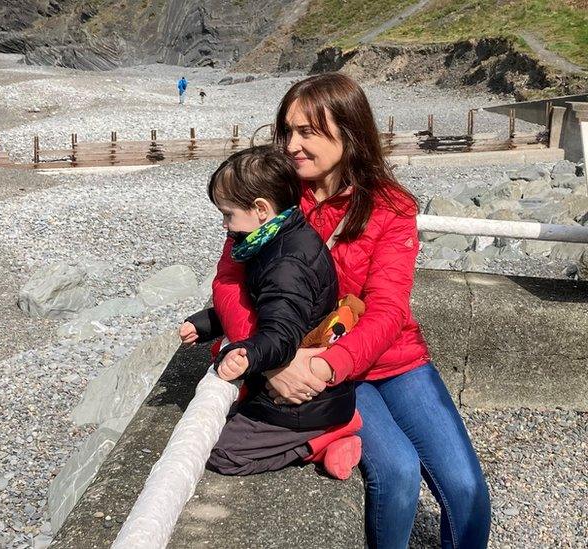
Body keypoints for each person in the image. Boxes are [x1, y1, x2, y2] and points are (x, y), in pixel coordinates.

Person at [259, 72, 491, 548]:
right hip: (327, 364)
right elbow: (235, 287)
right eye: (287, 131)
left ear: (349, 133)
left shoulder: (390, 206)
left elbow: (387, 309)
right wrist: (275, 359)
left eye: (308, 132)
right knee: (400, 472)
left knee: (467, 489)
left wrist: (326, 365)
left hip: (390, 359)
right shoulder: (273, 196)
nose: (292, 145)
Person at [178, 145, 363, 479]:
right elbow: (269, 303)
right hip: (319, 398)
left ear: (260, 209)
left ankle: (325, 439)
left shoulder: (285, 264)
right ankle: (330, 437)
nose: (225, 225)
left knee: (219, 453)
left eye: (228, 214)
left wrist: (248, 352)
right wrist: (207, 324)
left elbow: (281, 332)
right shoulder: (281, 240)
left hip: (305, 407)